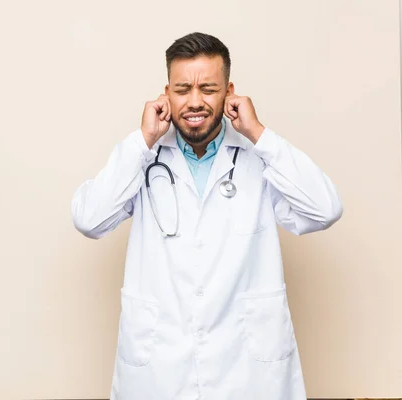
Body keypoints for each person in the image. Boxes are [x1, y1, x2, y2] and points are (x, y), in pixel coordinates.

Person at [71, 32, 342, 400]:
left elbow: (324, 209)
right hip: (161, 368)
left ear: (229, 92)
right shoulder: (144, 158)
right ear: (166, 93)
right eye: (182, 89)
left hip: (245, 369)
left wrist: (259, 135)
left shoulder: (255, 158)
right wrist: (142, 141)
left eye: (208, 89)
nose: (194, 102)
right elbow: (89, 219)